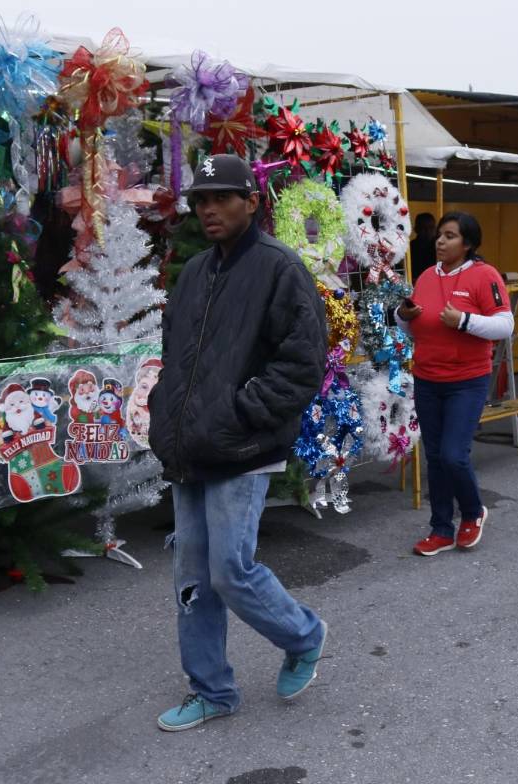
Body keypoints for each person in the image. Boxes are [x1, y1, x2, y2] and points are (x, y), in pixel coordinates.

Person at [148, 154, 329, 732]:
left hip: (243, 448)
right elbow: (176, 354)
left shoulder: (280, 269)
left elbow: (302, 365)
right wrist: (163, 410)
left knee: (230, 569)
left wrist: (239, 412)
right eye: (201, 200)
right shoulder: (196, 270)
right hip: (190, 449)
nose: (208, 209)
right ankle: (212, 690)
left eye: (221, 198)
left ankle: (303, 634)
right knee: (193, 578)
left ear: (251, 202)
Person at [396, 211, 514, 556]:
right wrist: (402, 317)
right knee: (434, 457)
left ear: (468, 244)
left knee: (453, 455)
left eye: (450, 236)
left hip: (467, 381)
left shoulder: (484, 275)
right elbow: (411, 325)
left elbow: (504, 326)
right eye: (440, 236)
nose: (440, 241)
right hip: (427, 378)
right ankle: (441, 528)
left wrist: (463, 320)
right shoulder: (426, 277)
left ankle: (474, 511)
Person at [409, 212, 438, 283]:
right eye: (423, 228)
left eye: (431, 227)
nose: (428, 231)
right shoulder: (410, 248)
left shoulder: (440, 247)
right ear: (416, 229)